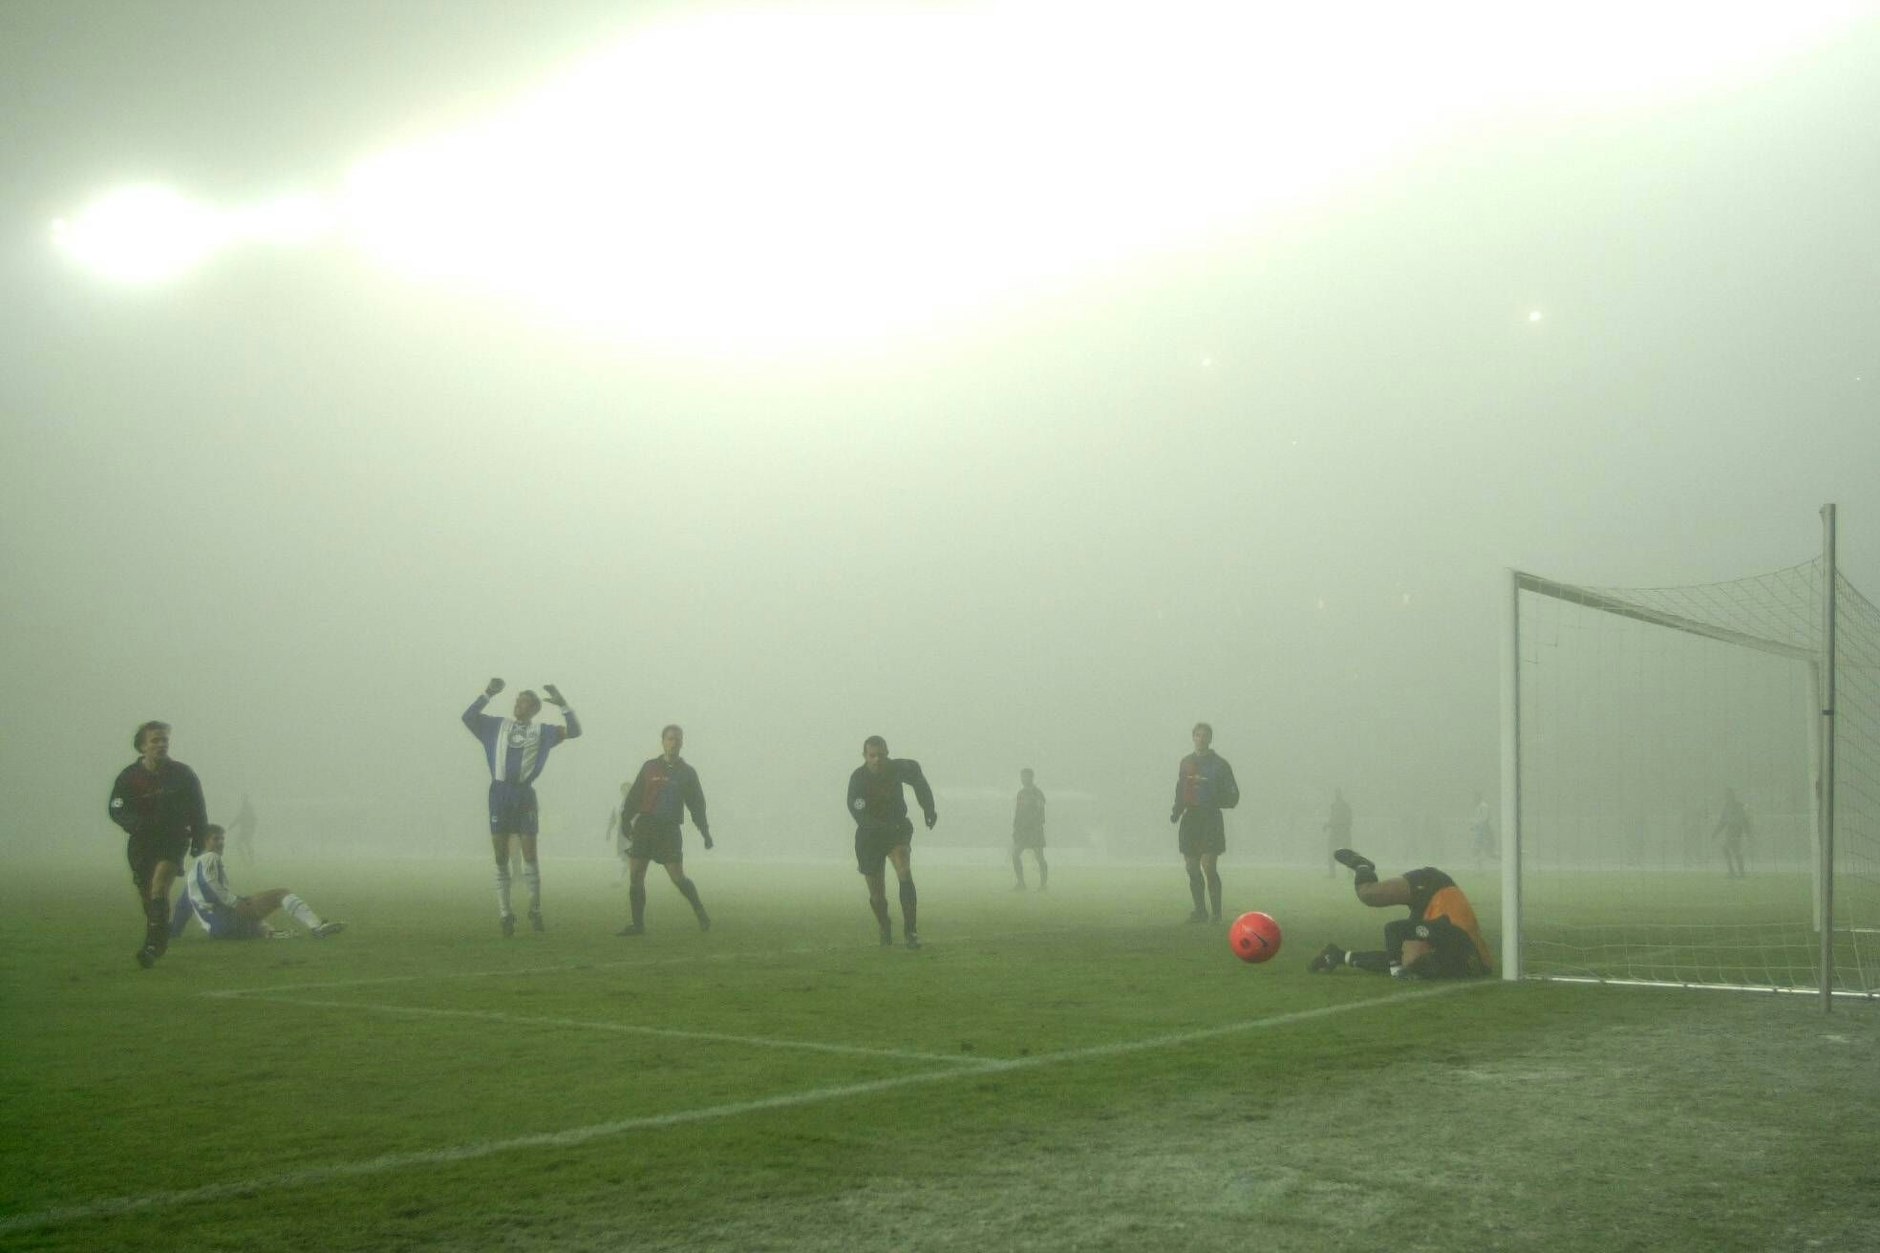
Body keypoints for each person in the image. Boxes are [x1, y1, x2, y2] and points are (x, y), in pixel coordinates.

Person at [461, 677, 582, 936]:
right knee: (500, 856)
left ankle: (534, 909)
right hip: (499, 793)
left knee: (530, 855)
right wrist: (487, 693)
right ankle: (505, 914)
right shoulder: (496, 726)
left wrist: (563, 704)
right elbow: (468, 717)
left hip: (524, 795)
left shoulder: (543, 731)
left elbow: (574, 730)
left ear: (535, 709)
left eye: (525, 702)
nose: (519, 705)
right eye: (518, 701)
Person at [109, 720, 209, 968]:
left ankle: (153, 947)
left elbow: (198, 808)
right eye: (155, 740)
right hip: (142, 842)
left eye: (164, 740)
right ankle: (159, 935)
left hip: (173, 839)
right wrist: (135, 824)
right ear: (142, 746)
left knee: (159, 885)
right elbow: (116, 808)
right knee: (148, 896)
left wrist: (198, 839)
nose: (161, 744)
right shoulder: (129, 777)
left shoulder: (183, 774)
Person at [1310, 848, 1492, 979]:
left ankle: (1336, 955)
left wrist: (1343, 957)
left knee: (1406, 960)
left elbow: (1394, 955)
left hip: (1433, 914)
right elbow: (1393, 929)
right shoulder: (1448, 935)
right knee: (1368, 894)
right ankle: (1362, 865)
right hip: (1434, 886)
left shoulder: (1462, 965)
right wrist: (1396, 970)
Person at [617, 725, 714, 935]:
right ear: (662, 741)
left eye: (677, 739)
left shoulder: (687, 773)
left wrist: (705, 832)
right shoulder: (649, 767)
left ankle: (701, 913)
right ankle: (638, 925)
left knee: (678, 877)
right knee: (636, 875)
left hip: (669, 829)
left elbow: (697, 805)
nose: (673, 743)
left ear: (682, 743)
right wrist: (625, 820)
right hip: (645, 826)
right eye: (670, 739)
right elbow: (635, 796)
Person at [170, 824, 344, 940]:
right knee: (280, 894)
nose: (221, 842)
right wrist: (235, 902)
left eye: (222, 838)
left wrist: (173, 931)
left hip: (217, 931)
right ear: (205, 841)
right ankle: (317, 926)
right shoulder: (210, 858)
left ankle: (271, 934)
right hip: (227, 919)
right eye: (216, 838)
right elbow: (211, 884)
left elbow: (183, 906)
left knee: (255, 916)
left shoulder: (192, 877)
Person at [848, 735, 936, 949]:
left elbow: (918, 780)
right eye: (873, 756)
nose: (878, 760)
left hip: (896, 830)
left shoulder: (898, 768)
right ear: (865, 756)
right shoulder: (858, 778)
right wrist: (876, 826)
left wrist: (929, 807)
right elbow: (857, 808)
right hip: (869, 836)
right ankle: (884, 925)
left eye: (882, 755)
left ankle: (911, 932)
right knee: (877, 896)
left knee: (904, 871)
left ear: (888, 753)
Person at [1171, 722, 1239, 923]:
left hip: (1210, 819)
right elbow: (1180, 789)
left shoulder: (1220, 764)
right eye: (1198, 735)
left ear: (1210, 739)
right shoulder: (1186, 763)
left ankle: (1216, 914)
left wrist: (1216, 799)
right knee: (1191, 867)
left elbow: (1233, 796)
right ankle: (1200, 911)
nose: (1201, 739)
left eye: (1205, 735)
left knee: (1208, 866)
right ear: (1193, 737)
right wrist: (1177, 810)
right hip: (1190, 819)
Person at [1011, 768, 1047, 891]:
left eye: (1026, 777)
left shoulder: (1037, 793)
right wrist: (1015, 828)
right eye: (1022, 777)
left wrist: (1036, 824)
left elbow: (1041, 812)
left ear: (1031, 777)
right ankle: (1021, 883)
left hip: (1034, 830)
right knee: (1015, 855)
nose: (1023, 779)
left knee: (1039, 857)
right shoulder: (1020, 793)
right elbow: (1018, 811)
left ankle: (1043, 885)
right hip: (1022, 831)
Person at [1715, 787, 1752, 879]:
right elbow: (1722, 822)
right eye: (1726, 795)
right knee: (1731, 850)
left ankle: (1737, 872)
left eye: (1728, 794)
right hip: (1730, 829)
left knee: (1731, 849)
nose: (1726, 797)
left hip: (1736, 829)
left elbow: (1745, 819)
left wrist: (1747, 832)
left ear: (1732, 795)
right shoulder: (1727, 806)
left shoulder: (1739, 806)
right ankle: (1737, 872)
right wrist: (1716, 832)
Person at [605, 782, 632, 881]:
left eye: (628, 789)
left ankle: (620, 879)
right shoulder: (617, 804)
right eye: (624, 789)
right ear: (621, 791)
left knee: (629, 857)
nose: (626, 791)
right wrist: (608, 831)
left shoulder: (637, 803)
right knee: (625, 857)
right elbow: (613, 818)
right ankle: (621, 878)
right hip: (621, 835)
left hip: (634, 834)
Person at [1323, 788, 1352, 878]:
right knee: (1345, 853)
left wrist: (1328, 825)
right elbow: (1346, 820)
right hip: (1342, 833)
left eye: (1337, 793)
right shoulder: (1340, 805)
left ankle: (1335, 874)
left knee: (1333, 853)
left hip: (1339, 833)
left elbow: (1335, 819)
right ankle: (1347, 873)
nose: (1336, 795)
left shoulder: (1339, 806)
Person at [228, 792, 258, 865]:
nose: (242, 799)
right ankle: (246, 860)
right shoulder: (244, 807)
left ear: (246, 798)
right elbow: (240, 817)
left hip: (247, 830)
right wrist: (232, 825)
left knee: (246, 844)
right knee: (241, 844)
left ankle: (250, 861)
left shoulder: (248, 807)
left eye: (244, 798)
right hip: (245, 830)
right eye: (242, 798)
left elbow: (250, 818)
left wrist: (252, 829)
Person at [1470, 791, 1496, 867]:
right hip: (1480, 830)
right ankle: (1478, 867)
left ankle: (1506, 860)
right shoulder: (1478, 807)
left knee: (1487, 852)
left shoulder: (1483, 806)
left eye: (1474, 798)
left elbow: (1484, 819)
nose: (1473, 800)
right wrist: (1474, 827)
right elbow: (1479, 819)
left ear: (1478, 797)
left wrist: (1477, 826)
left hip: (1484, 831)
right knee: (1476, 849)